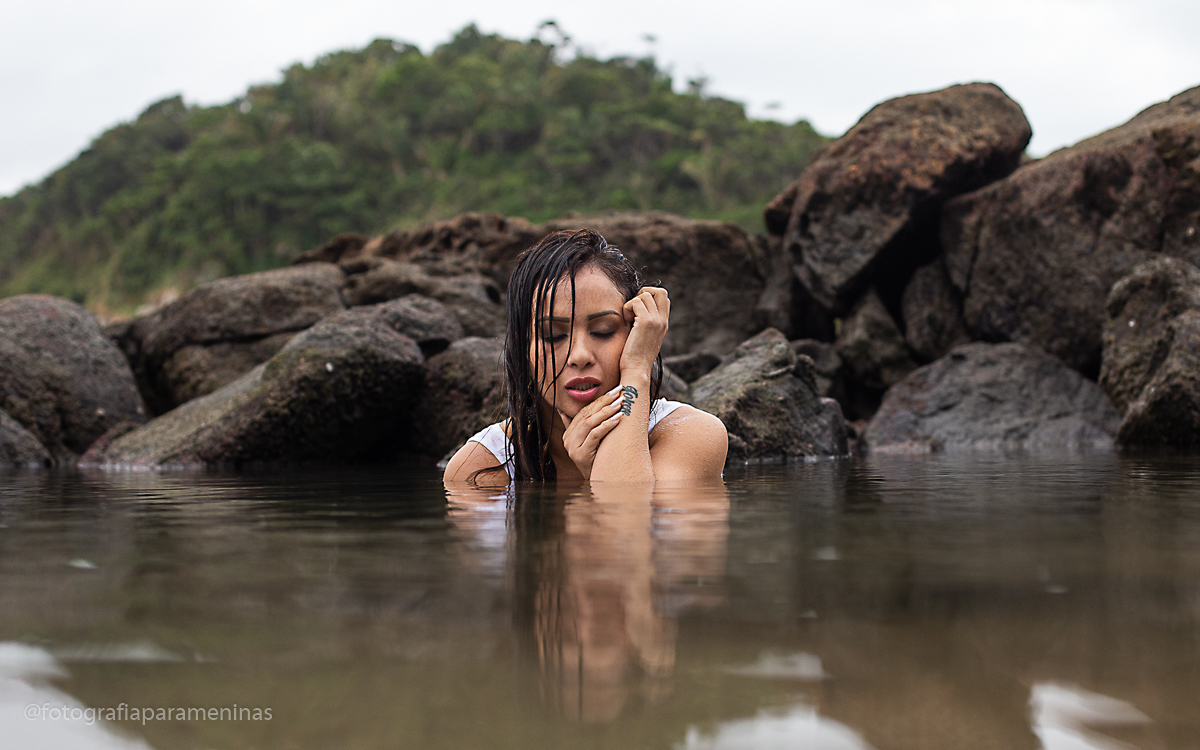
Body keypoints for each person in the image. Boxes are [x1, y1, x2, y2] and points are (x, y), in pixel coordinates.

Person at [442, 228, 727, 485]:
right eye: (552, 335)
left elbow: (629, 522)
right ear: (521, 346)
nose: (579, 356)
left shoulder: (689, 435)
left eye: (603, 331)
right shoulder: (480, 469)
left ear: (634, 335)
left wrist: (637, 369)